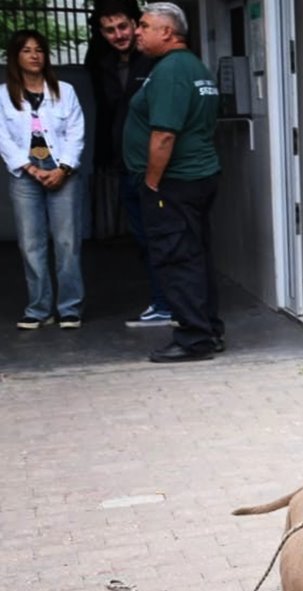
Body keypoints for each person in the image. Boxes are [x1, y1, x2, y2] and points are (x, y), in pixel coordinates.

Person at [123, 2, 222, 362]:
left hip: (173, 182)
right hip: (196, 178)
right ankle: (208, 331)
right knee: (196, 257)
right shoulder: (194, 66)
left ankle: (194, 339)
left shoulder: (170, 71)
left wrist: (151, 184)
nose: (137, 31)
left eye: (145, 25)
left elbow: (164, 135)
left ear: (167, 32)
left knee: (178, 259)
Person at [87, 0, 172, 327]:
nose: (118, 35)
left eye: (123, 26)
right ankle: (161, 301)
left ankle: (170, 303)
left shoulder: (153, 60)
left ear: (137, 24)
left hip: (155, 164)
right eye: (109, 30)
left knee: (164, 236)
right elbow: (108, 114)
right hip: (125, 165)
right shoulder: (103, 64)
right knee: (143, 239)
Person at [2, 30, 86, 330]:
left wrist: (62, 168)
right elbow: (3, 137)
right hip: (26, 174)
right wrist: (29, 168)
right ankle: (39, 309)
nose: (34, 55)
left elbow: (76, 132)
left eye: (39, 50)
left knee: (67, 242)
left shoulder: (65, 90)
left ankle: (69, 308)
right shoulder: (3, 94)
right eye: (26, 50)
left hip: (62, 171)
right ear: (16, 57)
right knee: (31, 243)